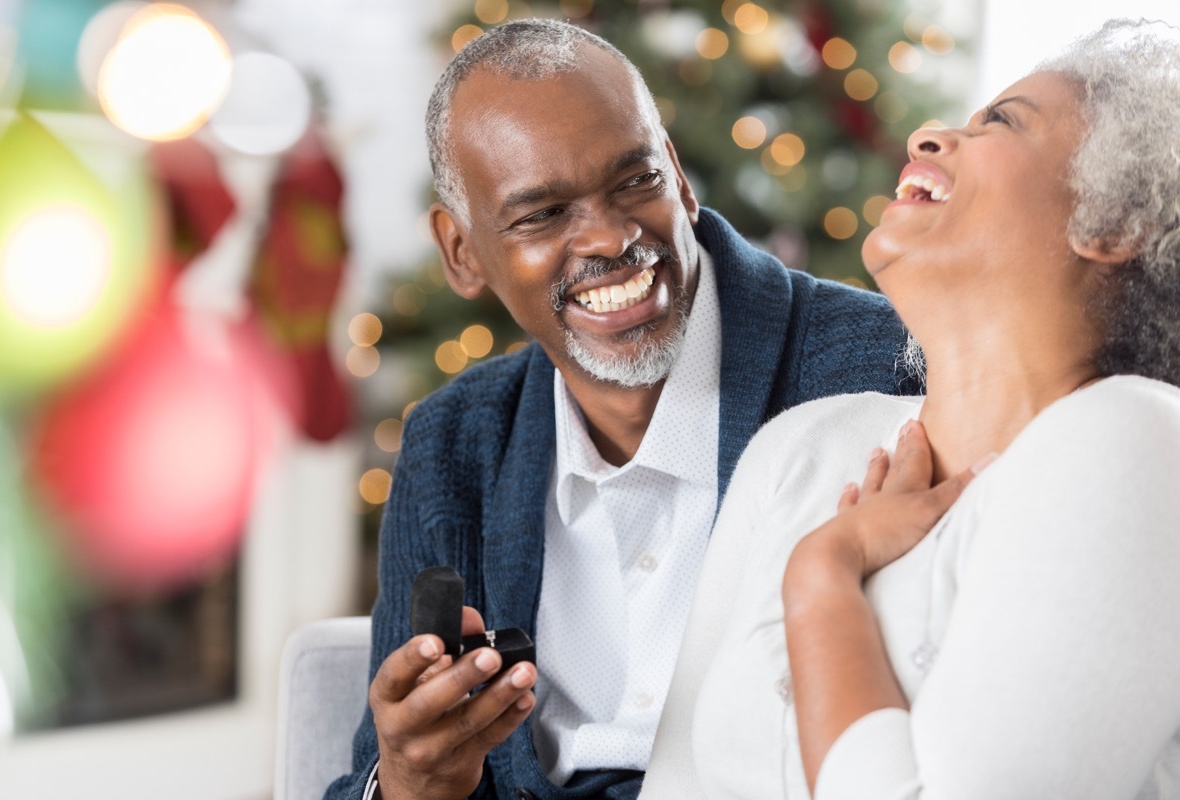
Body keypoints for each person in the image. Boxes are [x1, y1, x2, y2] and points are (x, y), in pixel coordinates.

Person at [325, 18, 914, 800]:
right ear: (462, 252)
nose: (609, 236)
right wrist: (406, 780)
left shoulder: (886, 368)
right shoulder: (450, 446)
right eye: (542, 214)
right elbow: (382, 773)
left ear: (677, 171)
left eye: (635, 180)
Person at [640, 17, 1180, 800]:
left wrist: (822, 577)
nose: (928, 136)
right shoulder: (802, 447)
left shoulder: (1138, 440)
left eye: (1000, 122)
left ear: (1113, 222)